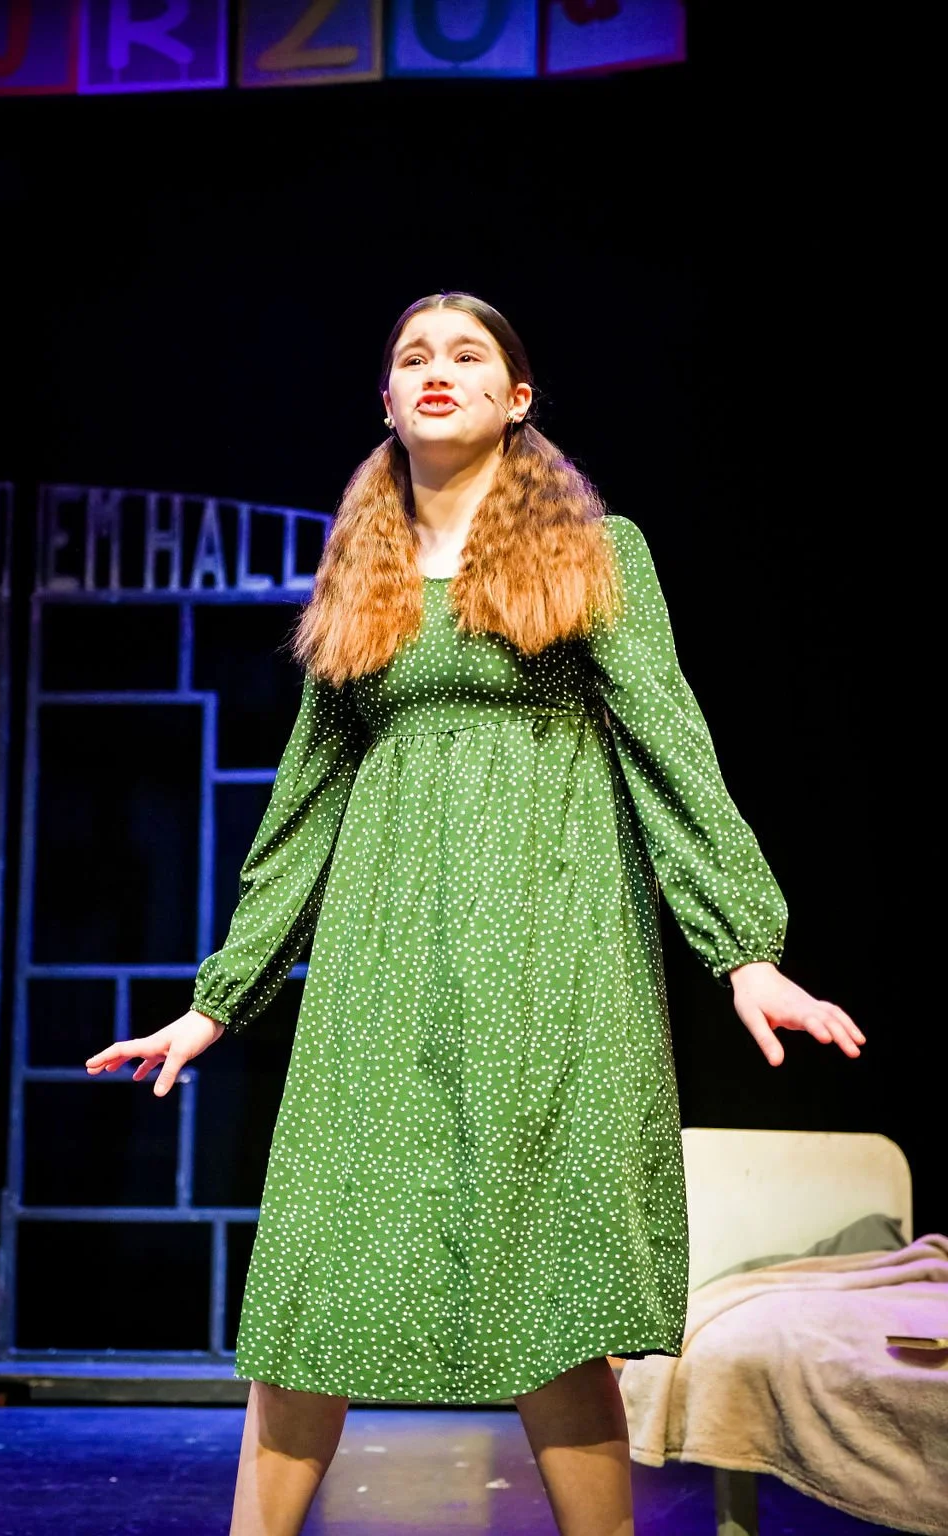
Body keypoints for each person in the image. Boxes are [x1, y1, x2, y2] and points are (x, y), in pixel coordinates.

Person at [86, 292, 865, 1536]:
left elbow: (668, 743)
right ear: (386, 401)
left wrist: (743, 948)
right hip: (383, 961)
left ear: (517, 399)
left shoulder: (596, 551)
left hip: (551, 950)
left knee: (550, 1291)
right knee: (316, 1282)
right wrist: (216, 998)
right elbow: (305, 799)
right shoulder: (363, 573)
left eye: (467, 354)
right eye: (411, 356)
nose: (435, 371)